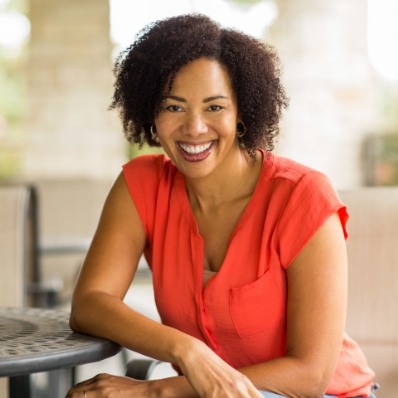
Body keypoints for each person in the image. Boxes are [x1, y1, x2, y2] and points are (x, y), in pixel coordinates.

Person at [66, 13, 377, 398]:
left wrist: (157, 390)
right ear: (151, 112)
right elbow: (90, 303)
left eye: (214, 107)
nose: (194, 127)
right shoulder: (142, 185)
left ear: (242, 111)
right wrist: (187, 351)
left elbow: (310, 376)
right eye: (174, 107)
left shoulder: (302, 197)